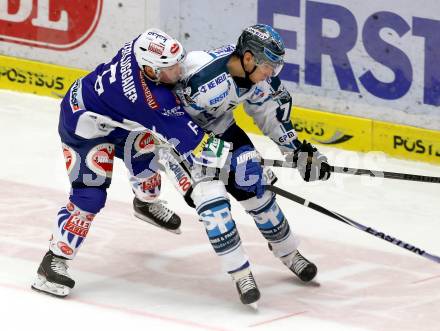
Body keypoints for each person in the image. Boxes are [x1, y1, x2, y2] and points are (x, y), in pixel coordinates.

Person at [132, 24, 331, 307]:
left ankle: (289, 253)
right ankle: (241, 273)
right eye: (268, 66)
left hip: (222, 130)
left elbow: (270, 116)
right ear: (248, 58)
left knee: (257, 190)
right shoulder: (196, 72)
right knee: (211, 202)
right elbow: (157, 110)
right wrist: (206, 155)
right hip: (180, 141)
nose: (271, 73)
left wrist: (298, 153)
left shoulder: (259, 80)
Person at [31, 28, 230, 297]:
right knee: (90, 195)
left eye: (178, 62)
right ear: (150, 71)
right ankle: (52, 263)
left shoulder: (142, 45)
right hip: (83, 128)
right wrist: (235, 161)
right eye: (171, 69)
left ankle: (145, 203)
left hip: (111, 115)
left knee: (144, 147)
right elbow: (195, 144)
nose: (179, 71)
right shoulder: (150, 100)